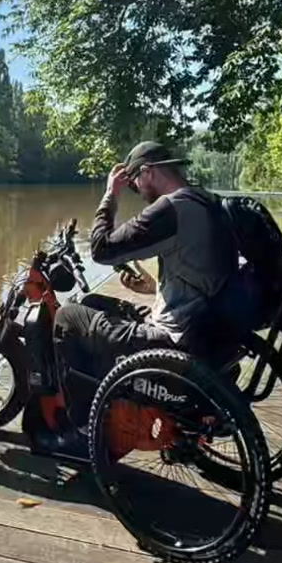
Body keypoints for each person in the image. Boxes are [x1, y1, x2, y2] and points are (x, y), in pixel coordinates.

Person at [37, 140, 249, 459]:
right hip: (209, 330)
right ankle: (111, 402)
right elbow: (205, 273)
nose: (137, 189)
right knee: (92, 301)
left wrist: (112, 193)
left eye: (135, 182)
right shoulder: (208, 201)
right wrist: (153, 288)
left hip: (175, 340)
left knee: (68, 317)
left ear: (147, 173)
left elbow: (101, 248)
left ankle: (84, 433)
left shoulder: (172, 207)